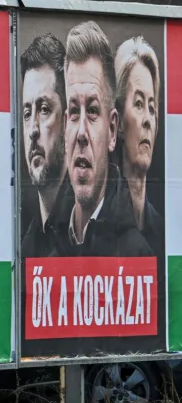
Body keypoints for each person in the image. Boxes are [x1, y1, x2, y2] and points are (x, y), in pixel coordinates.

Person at [51, 21, 152, 258]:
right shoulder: (47, 254)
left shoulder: (137, 256)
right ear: (65, 128)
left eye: (93, 111)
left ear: (113, 131)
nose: (82, 133)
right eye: (75, 112)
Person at [20, 32, 70, 259]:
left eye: (44, 110)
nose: (32, 130)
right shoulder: (25, 249)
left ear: (68, 121)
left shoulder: (91, 231)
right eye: (27, 113)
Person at [114, 36, 163, 257]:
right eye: (139, 104)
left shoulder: (165, 233)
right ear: (119, 122)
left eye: (152, 108)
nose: (147, 119)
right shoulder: (100, 228)